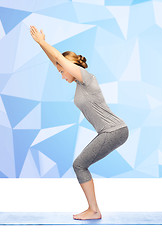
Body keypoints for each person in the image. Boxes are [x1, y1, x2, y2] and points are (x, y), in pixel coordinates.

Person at [30, 25, 129, 220]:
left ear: (69, 67)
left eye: (61, 71)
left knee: (79, 165)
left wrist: (43, 42)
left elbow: (59, 60)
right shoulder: (78, 84)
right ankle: (93, 209)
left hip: (114, 130)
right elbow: (56, 60)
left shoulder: (87, 79)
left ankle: (94, 210)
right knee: (80, 165)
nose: (60, 74)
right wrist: (41, 45)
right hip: (109, 131)